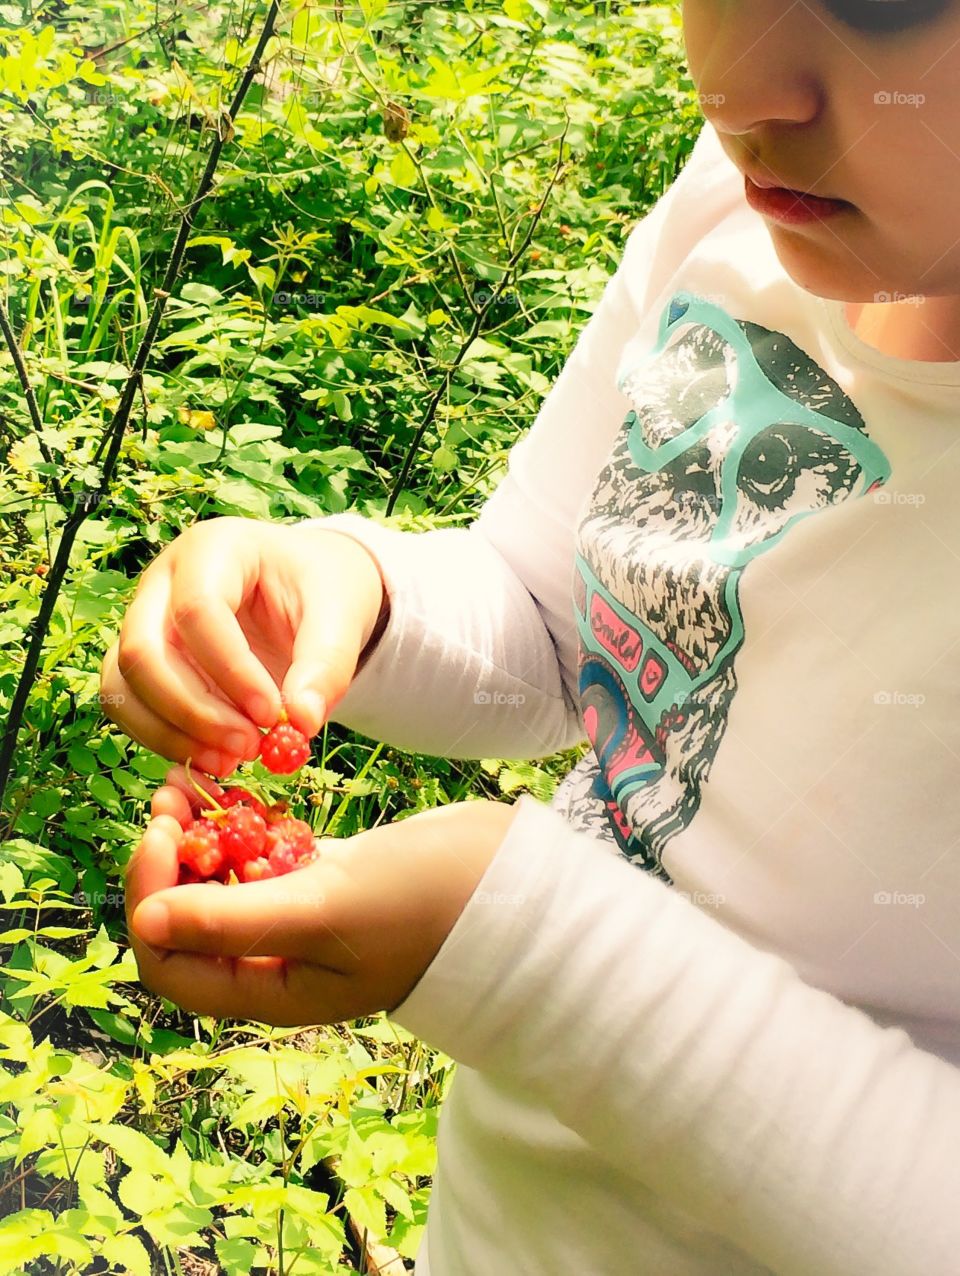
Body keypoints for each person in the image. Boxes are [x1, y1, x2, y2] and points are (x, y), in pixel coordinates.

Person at [102, 2, 960, 1272]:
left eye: (885, 4)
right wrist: (348, 591)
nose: (737, 91)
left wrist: (514, 938)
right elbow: (564, 622)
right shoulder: (743, 214)